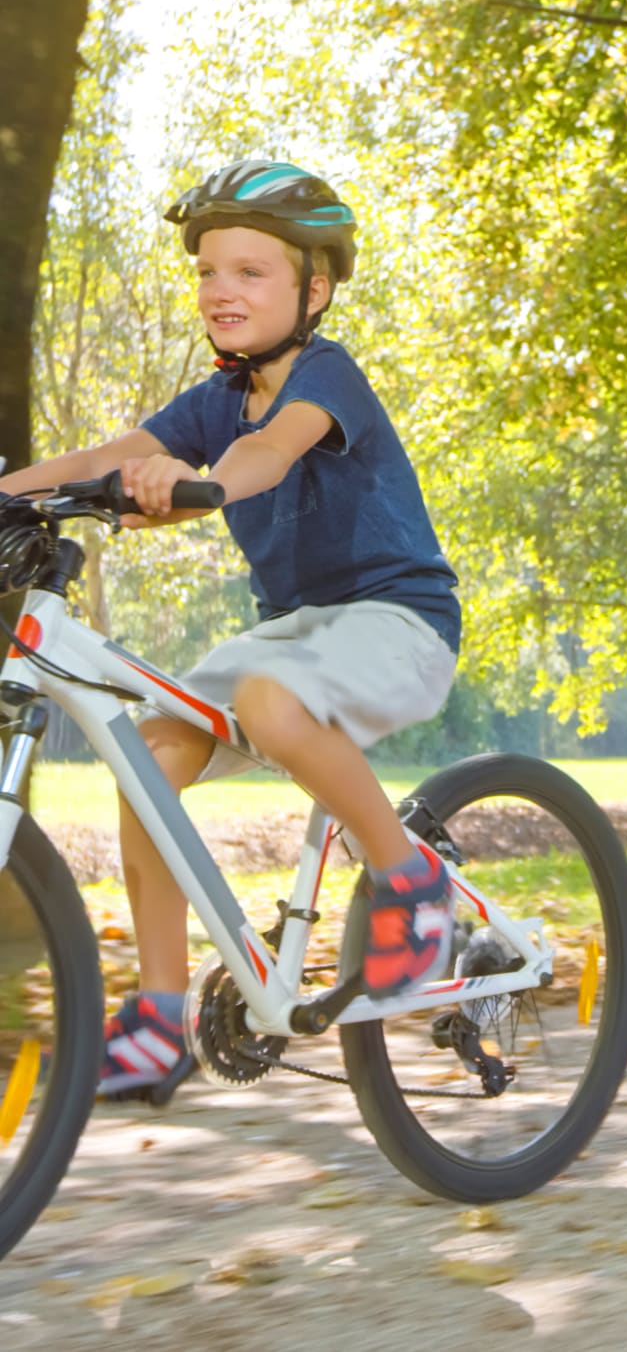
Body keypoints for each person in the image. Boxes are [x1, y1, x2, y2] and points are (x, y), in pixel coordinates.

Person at [0, 159, 462, 1098]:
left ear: (314, 288)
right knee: (149, 758)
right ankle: (159, 1019)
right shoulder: (213, 397)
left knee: (266, 698)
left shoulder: (329, 376)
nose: (222, 291)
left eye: (251, 273)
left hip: (397, 621)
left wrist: (197, 485)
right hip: (293, 635)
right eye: (210, 271)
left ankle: (412, 884)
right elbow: (108, 455)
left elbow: (269, 449)